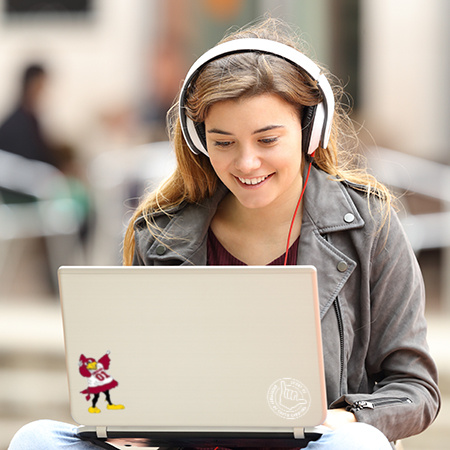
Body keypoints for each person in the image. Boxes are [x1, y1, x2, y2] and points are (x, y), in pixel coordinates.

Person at [9, 17, 440, 450]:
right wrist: (130, 419)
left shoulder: (370, 225)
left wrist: (342, 418)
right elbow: (134, 381)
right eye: (224, 142)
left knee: (356, 446)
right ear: (200, 140)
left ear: (310, 130)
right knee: (36, 438)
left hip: (317, 446)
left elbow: (415, 389)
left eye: (267, 140)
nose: (246, 163)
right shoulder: (160, 233)